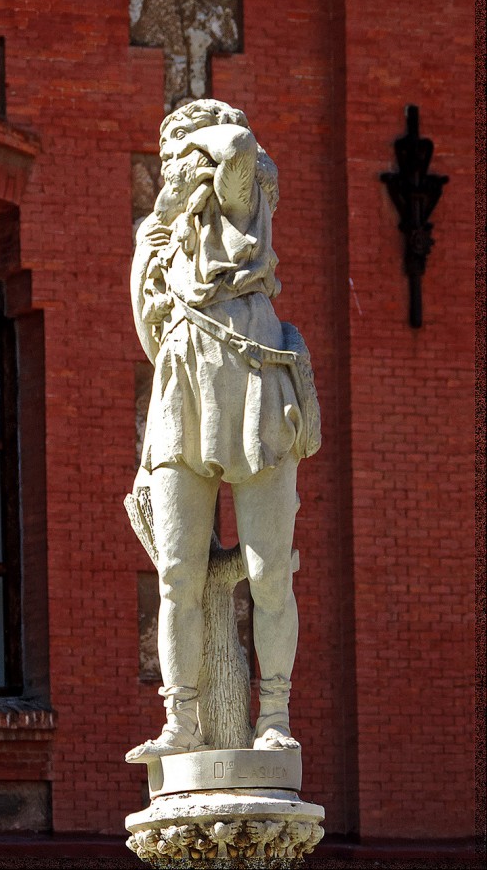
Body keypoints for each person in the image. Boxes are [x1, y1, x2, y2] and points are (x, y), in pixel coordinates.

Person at [126, 99, 319, 763]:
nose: (175, 166)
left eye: (182, 153)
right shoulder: (163, 234)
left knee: (269, 574)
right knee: (176, 575)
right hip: (184, 387)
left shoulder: (239, 204)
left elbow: (236, 145)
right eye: (171, 157)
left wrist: (197, 143)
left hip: (258, 383)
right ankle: (180, 719)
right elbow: (147, 329)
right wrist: (163, 220)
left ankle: (274, 716)